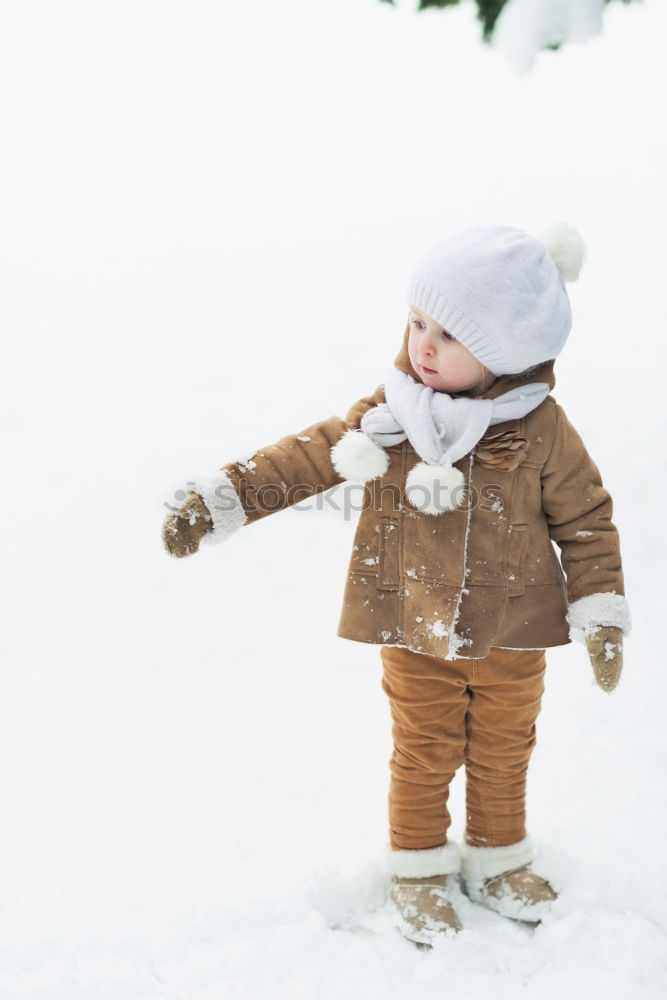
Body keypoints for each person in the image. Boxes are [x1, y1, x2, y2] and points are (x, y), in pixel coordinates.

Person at [162, 222, 630, 947]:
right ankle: (416, 870)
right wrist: (221, 499)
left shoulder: (541, 431)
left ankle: (499, 861)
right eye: (418, 322)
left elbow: (587, 521)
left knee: (505, 748)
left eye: (451, 333)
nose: (425, 345)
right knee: (423, 749)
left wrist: (599, 614)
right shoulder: (386, 418)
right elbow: (304, 459)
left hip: (513, 634)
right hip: (413, 625)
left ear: (508, 352)